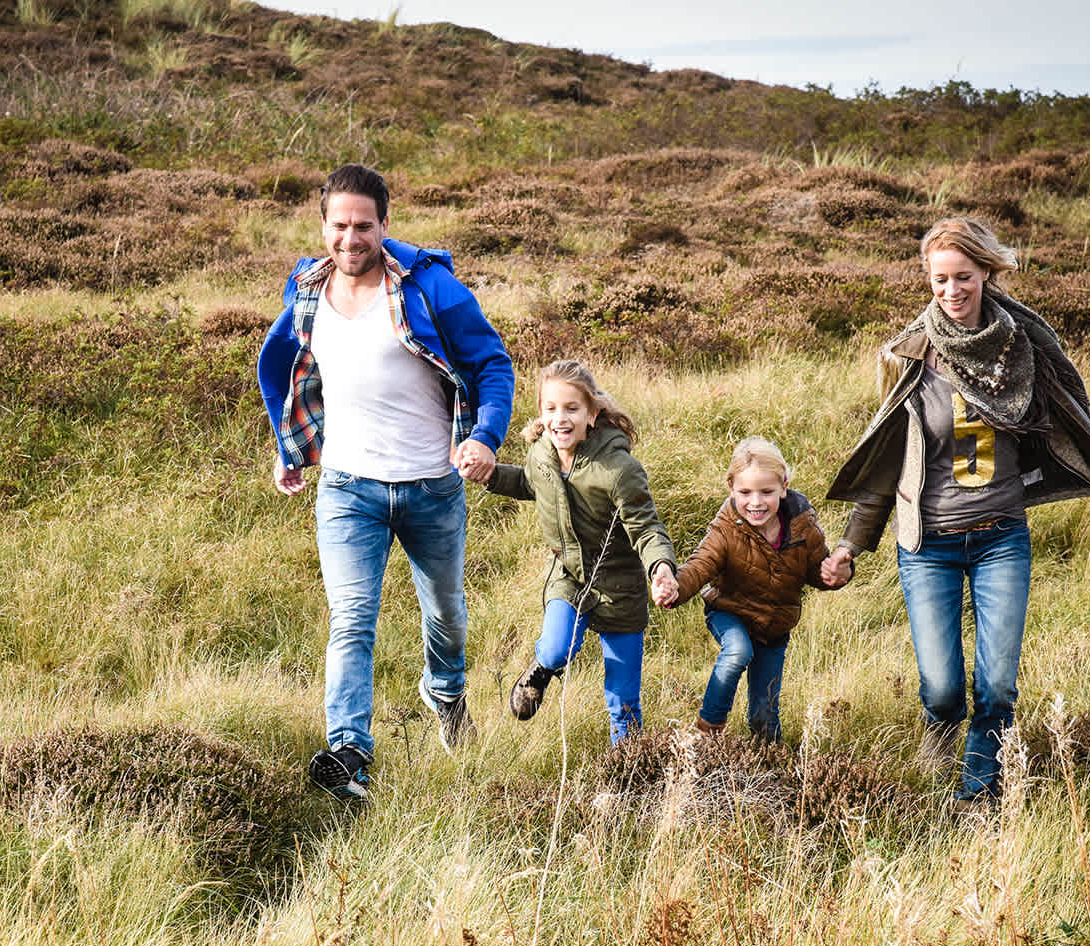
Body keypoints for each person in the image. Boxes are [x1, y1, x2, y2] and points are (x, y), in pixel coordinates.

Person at [820, 215, 1090, 802]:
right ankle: (939, 734)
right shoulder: (909, 357)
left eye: (963, 279)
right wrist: (852, 545)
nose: (951, 292)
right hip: (927, 546)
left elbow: (1076, 425)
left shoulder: (1021, 348)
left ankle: (978, 797)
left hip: (1003, 536)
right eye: (939, 281)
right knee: (944, 688)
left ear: (986, 274)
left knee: (998, 686)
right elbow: (887, 458)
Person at [258, 163, 515, 799]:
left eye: (363, 226)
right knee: (351, 619)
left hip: (431, 486)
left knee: (446, 617)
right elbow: (294, 368)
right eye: (339, 226)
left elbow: (493, 365)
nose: (351, 239)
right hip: (347, 488)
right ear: (323, 226)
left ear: (385, 225)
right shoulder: (307, 289)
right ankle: (349, 756)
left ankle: (447, 695)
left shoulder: (431, 288)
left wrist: (483, 437)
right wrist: (290, 446)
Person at [482, 360, 678, 744]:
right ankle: (539, 670)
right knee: (558, 649)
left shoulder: (619, 468)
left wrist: (661, 568)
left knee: (623, 699)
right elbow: (530, 482)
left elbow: (646, 526)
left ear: (592, 414)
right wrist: (490, 474)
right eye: (550, 408)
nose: (560, 418)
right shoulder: (542, 453)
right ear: (540, 411)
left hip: (620, 587)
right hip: (569, 576)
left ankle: (628, 770)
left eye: (572, 409)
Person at [654, 437, 837, 743]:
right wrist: (675, 587)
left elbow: (818, 572)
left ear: (784, 486)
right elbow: (700, 565)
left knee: (764, 711)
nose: (756, 502)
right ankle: (708, 732)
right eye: (745, 492)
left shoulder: (803, 526)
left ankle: (768, 766)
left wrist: (834, 574)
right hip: (729, 611)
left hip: (775, 625)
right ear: (731, 489)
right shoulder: (726, 528)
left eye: (766, 492)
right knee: (738, 650)